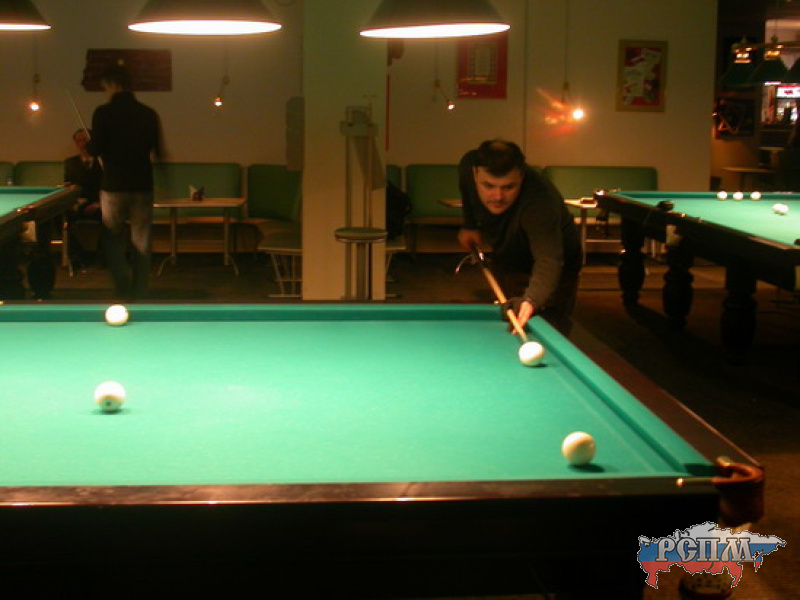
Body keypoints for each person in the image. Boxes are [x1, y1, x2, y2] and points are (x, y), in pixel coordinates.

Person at [457, 139, 582, 333]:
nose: (498, 196)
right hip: (508, 251)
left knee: (548, 322)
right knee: (509, 311)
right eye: (488, 186)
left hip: (556, 260)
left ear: (521, 176)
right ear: (475, 173)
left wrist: (532, 300)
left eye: (508, 187)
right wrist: (470, 224)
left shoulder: (540, 201)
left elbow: (549, 260)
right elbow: (466, 190)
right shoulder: (468, 165)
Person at [90, 65, 163, 300]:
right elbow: (158, 151)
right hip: (142, 183)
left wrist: (90, 145)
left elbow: (95, 148)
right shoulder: (148, 113)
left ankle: (122, 282)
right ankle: (140, 290)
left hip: (114, 185)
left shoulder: (103, 112)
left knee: (112, 239)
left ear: (112, 85)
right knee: (142, 240)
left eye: (105, 87)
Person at [63, 128, 103, 268]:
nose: (83, 144)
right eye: (79, 141)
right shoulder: (70, 163)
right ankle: (77, 254)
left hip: (100, 203)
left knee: (110, 219)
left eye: (85, 140)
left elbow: (109, 186)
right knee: (61, 218)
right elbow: (68, 185)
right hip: (79, 203)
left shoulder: (103, 162)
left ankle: (102, 255)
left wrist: (99, 203)